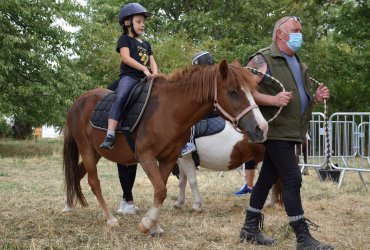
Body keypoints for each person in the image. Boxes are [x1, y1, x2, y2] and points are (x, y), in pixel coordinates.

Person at [239, 16, 334, 250]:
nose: (299, 34)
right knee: (292, 179)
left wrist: (317, 97)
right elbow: (244, 91)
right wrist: (272, 99)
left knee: (266, 178)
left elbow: (300, 96)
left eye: (300, 30)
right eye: (295, 30)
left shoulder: (298, 63)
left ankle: (249, 229)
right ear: (280, 34)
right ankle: (303, 238)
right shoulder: (263, 58)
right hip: (275, 130)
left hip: (293, 131)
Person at [100, 2, 158, 149]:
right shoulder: (124, 39)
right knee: (121, 97)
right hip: (130, 77)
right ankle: (110, 134)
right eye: (138, 22)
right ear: (127, 22)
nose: (142, 25)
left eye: (143, 22)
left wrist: (156, 74)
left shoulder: (147, 44)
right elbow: (126, 58)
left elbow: (152, 61)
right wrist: (144, 70)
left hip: (146, 78)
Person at [106, 80, 139, 215]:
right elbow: (110, 95)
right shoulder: (123, 81)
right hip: (121, 128)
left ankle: (125, 201)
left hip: (133, 127)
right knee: (122, 164)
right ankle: (128, 201)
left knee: (133, 164)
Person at [180, 51, 216, 156]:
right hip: (214, 108)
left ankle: (188, 142)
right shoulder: (211, 77)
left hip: (208, 110)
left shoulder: (199, 80)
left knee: (186, 118)